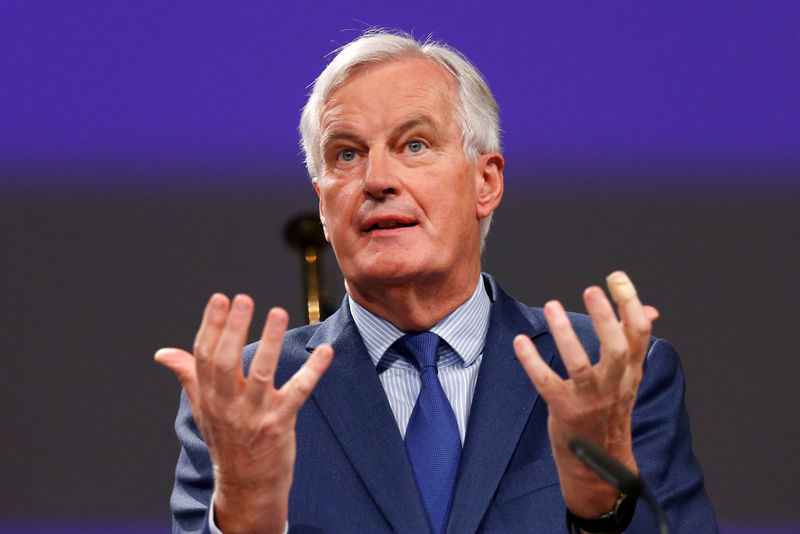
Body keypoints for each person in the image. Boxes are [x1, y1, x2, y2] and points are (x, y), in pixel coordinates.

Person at [156, 30, 718, 533]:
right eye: (346, 154)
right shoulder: (247, 400)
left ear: (485, 181)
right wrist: (248, 513)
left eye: (414, 145)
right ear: (322, 205)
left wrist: (602, 503)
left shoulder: (609, 377)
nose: (377, 179)